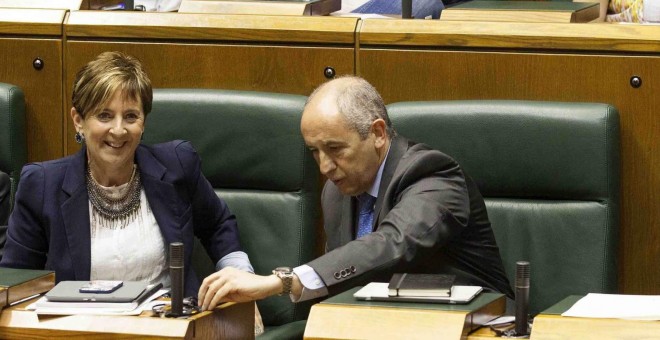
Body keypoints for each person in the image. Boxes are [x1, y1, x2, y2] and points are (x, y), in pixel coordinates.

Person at [197, 76, 513, 311]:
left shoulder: (433, 174)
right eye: (314, 152)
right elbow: (343, 284)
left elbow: (392, 244)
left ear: (376, 133)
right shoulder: (337, 193)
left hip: (466, 325)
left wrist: (281, 282)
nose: (324, 167)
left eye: (334, 149)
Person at [0, 53, 261, 330]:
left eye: (131, 116)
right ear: (78, 120)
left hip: (169, 329)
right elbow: (16, 278)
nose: (118, 130)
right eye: (104, 115)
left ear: (143, 122)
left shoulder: (176, 165)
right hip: (78, 331)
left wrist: (240, 277)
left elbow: (218, 225)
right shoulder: (42, 184)